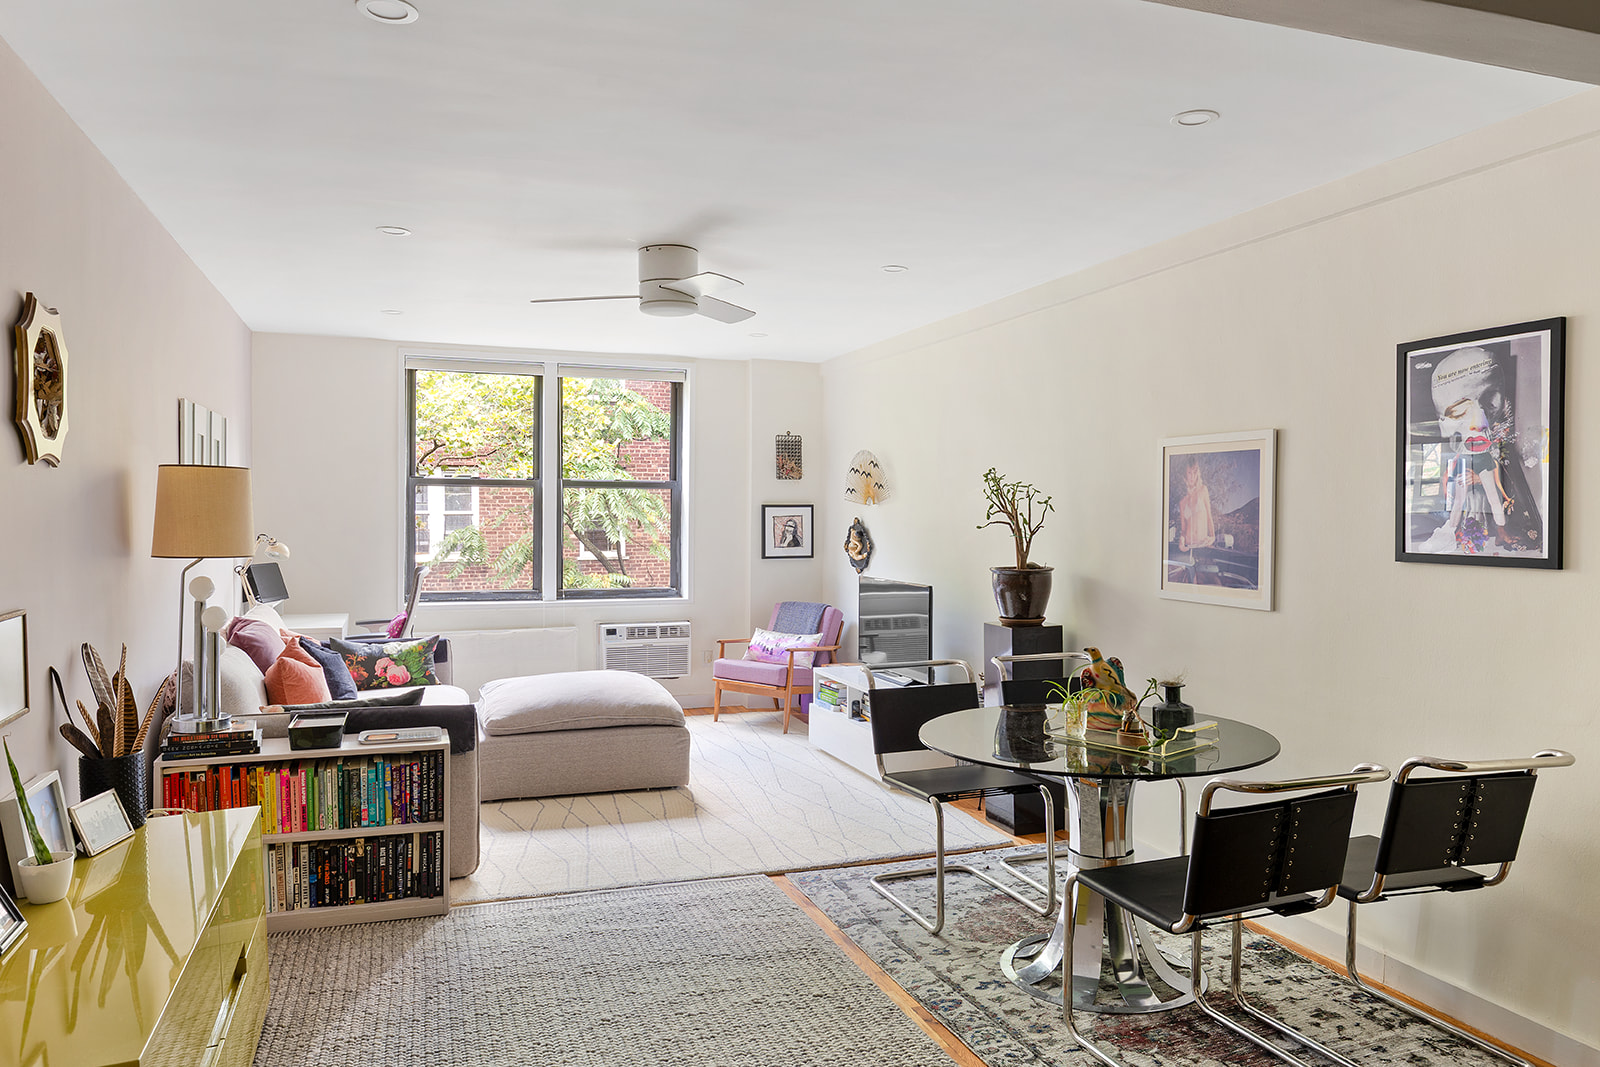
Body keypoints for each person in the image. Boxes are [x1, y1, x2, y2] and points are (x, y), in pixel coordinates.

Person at [1428, 346, 1542, 554]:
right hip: (1468, 464)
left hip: (1484, 465)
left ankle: (1501, 530)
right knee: (1459, 502)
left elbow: (1499, 486)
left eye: (1490, 397)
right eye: (1461, 409)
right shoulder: (1458, 455)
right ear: (1444, 423)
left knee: (1491, 497)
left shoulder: (1498, 448)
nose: (1479, 423)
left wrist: (1482, 478)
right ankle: (1450, 532)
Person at [1177, 459, 1215, 553]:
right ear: (1185, 474)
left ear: (1198, 473)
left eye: (1194, 472)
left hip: (1203, 545)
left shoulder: (1203, 490)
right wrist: (1181, 542)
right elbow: (1183, 530)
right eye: (1189, 473)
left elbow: (1209, 518)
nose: (1192, 476)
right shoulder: (1182, 502)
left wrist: (1213, 537)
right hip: (1189, 547)